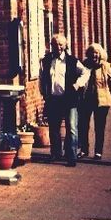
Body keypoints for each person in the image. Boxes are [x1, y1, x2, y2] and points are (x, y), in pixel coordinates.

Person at [38, 33, 89, 166]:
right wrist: (43, 92)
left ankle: (71, 157)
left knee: (71, 128)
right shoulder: (46, 60)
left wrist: (78, 84)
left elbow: (86, 72)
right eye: (55, 44)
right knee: (54, 128)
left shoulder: (72, 60)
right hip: (53, 99)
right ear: (51, 46)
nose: (58, 47)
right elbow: (42, 77)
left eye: (60, 44)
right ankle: (56, 154)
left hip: (69, 99)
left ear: (65, 45)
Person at [79, 42, 111, 160]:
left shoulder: (105, 66)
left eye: (96, 53)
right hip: (86, 99)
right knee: (83, 125)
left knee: (99, 126)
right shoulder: (84, 65)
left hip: (102, 100)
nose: (94, 56)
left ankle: (98, 151)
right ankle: (84, 149)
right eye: (91, 53)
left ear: (100, 54)